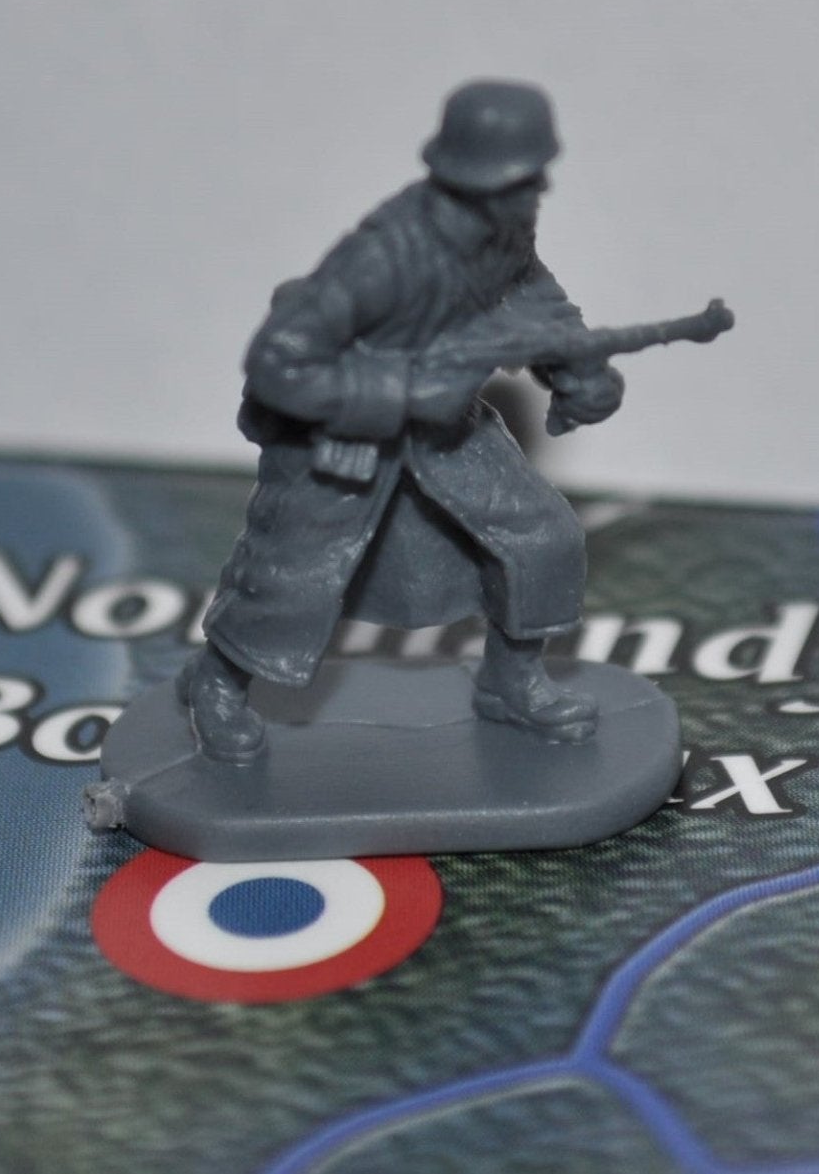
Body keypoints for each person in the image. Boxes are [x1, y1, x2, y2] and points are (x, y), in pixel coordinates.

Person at [178, 80, 626, 763]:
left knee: (544, 537)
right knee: (292, 578)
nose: (537, 189)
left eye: (536, 175)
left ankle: (511, 682)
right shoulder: (381, 255)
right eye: (522, 178)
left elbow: (532, 297)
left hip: (447, 432)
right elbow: (279, 362)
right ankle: (217, 683)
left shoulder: (504, 232)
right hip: (342, 439)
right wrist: (398, 393)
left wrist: (576, 369)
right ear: (473, 179)